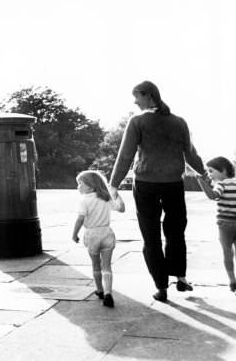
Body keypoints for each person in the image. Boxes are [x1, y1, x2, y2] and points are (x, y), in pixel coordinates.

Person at [108, 80, 207, 302]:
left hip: (146, 185)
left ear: (149, 96)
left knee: (150, 236)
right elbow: (191, 154)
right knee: (176, 231)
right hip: (173, 184)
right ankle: (180, 277)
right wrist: (204, 174)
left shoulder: (138, 122)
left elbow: (125, 156)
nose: (135, 101)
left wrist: (113, 184)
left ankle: (161, 287)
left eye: (137, 96)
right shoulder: (179, 122)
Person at [72, 169, 125, 308]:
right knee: (106, 265)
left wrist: (74, 234)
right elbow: (121, 208)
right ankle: (108, 293)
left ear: (90, 186)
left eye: (80, 184)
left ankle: (99, 290)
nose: (78, 187)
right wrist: (117, 195)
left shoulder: (83, 200)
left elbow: (80, 219)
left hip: (92, 235)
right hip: (107, 233)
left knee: (96, 265)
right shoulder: (105, 197)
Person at [195, 156, 236, 292]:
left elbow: (213, 196)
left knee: (227, 252)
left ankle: (231, 280)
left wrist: (201, 182)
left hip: (225, 225)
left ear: (223, 170)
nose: (209, 175)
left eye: (211, 171)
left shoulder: (221, 184)